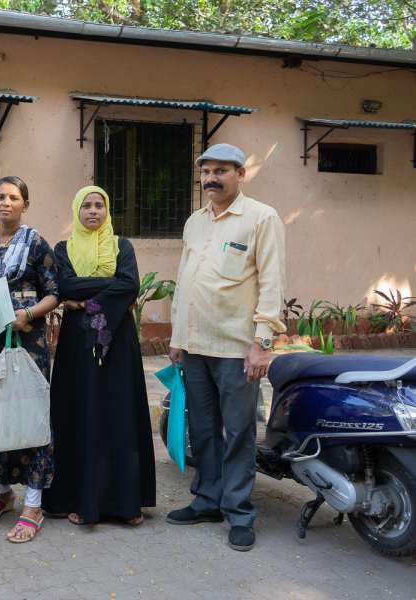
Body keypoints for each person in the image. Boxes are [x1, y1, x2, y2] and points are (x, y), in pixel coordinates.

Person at [167, 143, 286, 552]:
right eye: (206, 172)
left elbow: (271, 284)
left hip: (237, 348)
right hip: (195, 346)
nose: (211, 179)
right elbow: (184, 281)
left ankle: (239, 512)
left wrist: (262, 345)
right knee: (202, 430)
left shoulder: (261, 218)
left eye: (221, 171)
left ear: (241, 174)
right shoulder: (194, 222)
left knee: (237, 433)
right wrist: (176, 338)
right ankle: (207, 501)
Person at [41, 186, 156, 526]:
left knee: (118, 413)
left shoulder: (122, 246)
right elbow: (64, 286)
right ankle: (81, 499)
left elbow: (129, 285)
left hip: (118, 342)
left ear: (107, 211)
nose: (93, 211)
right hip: (77, 346)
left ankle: (126, 503)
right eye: (86, 206)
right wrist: (97, 287)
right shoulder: (63, 249)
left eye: (99, 206)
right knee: (82, 414)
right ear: (76, 211)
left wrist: (85, 300)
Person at [0, 175, 59, 543]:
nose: (6, 202)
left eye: (14, 197)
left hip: (27, 339)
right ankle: (2, 490)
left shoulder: (36, 242)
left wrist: (29, 315)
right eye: (0, 196)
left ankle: (33, 503)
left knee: (30, 414)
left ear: (25, 204)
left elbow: (55, 292)